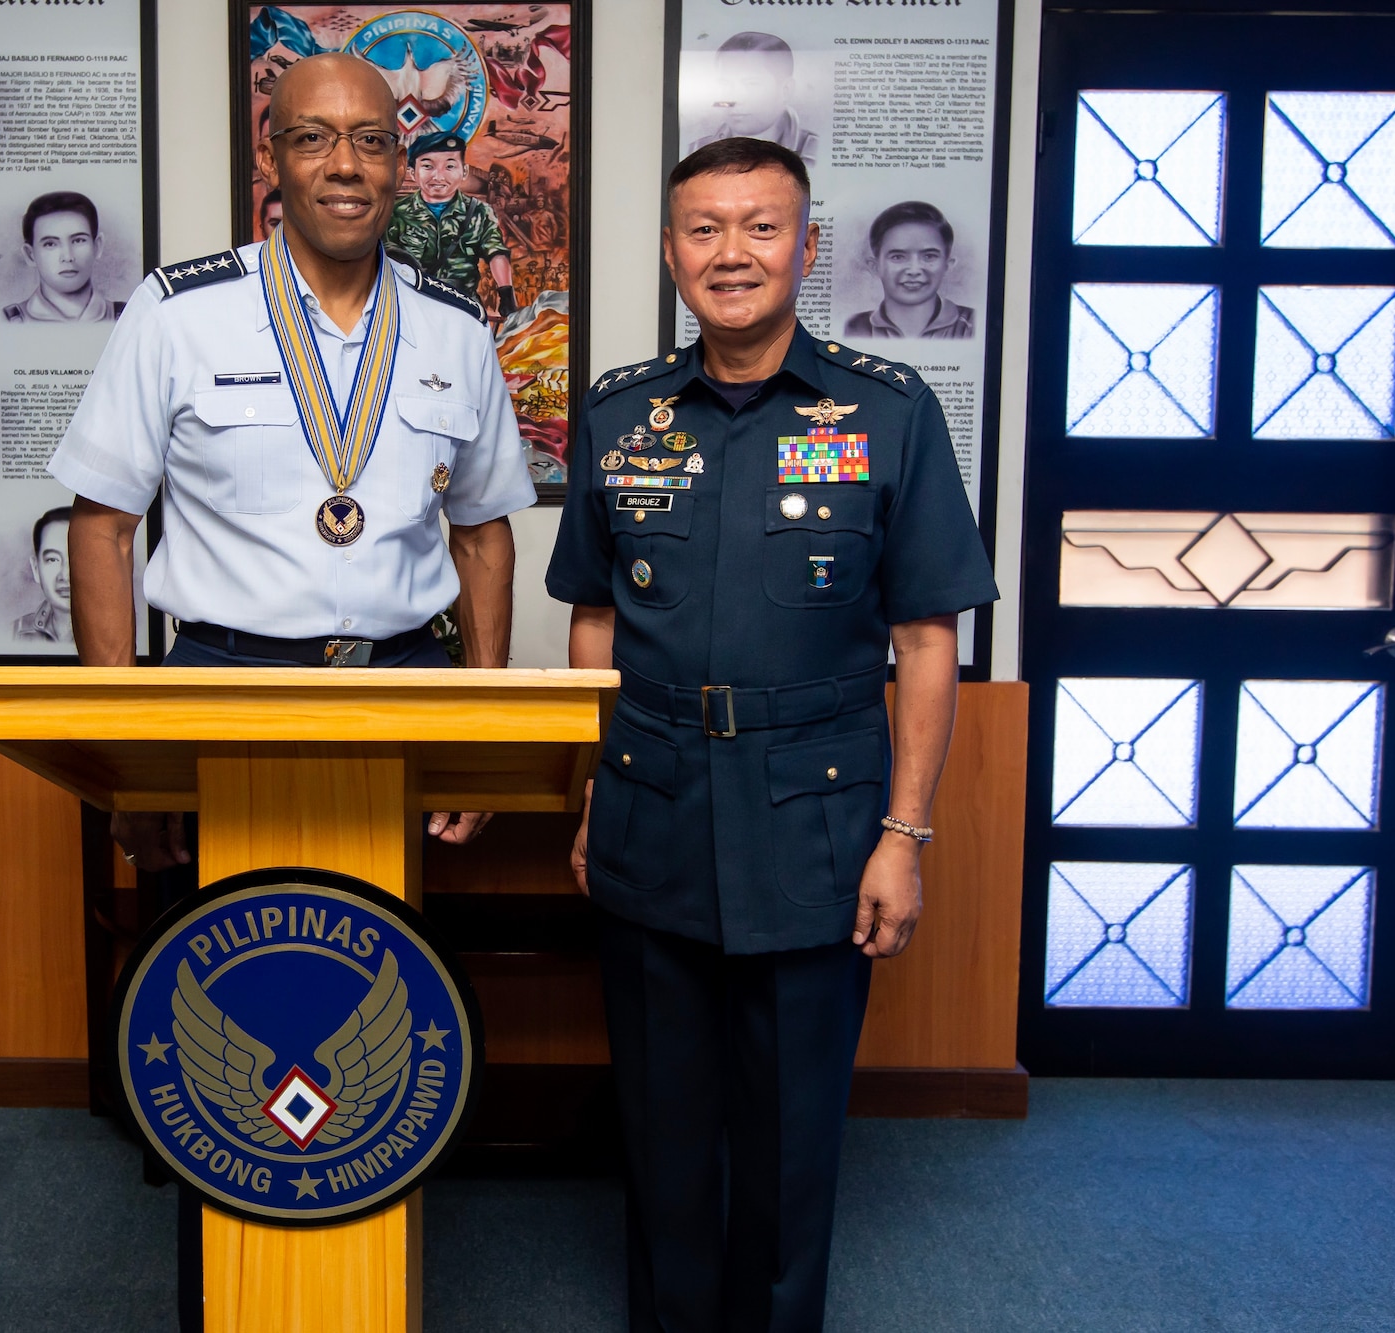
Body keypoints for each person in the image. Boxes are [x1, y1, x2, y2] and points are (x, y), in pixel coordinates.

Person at [52, 54, 535, 1325]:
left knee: (385, 998)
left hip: (400, 690)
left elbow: (485, 533)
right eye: (315, 141)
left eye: (370, 142)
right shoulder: (178, 311)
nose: (345, 166)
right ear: (270, 156)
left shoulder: (450, 328)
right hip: (218, 689)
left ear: (402, 153)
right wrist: (122, 756)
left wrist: (482, 727)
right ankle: (231, 1292)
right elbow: (100, 525)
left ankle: (366, 1278)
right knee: (212, 1015)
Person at [546, 137, 997, 1332]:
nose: (729, 252)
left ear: (803, 247)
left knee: (793, 1137)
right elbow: (593, 619)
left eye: (758, 226)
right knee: (661, 1128)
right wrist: (588, 793)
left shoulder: (887, 412)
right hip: (650, 806)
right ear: (669, 250)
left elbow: (923, 639)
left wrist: (903, 833)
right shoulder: (617, 413)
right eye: (703, 228)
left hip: (816, 821)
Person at [384, 130, 517, 317]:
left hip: (463, 309)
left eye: (449, 166)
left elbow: (495, 252)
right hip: (411, 310)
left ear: (464, 172)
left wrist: (506, 293)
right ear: (413, 173)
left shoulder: (479, 212)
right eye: (428, 166)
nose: (438, 176)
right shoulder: (396, 214)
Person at [844, 201, 976, 341]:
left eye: (929, 256)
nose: (914, 270)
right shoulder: (853, 328)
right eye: (898, 257)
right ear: (875, 266)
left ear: (947, 265)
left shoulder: (972, 325)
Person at [689, 33, 818, 170]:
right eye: (726, 85)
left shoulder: (814, 153)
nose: (736, 99)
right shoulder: (695, 153)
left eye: (751, 84)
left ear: (786, 90)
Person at [2, 192, 124, 324]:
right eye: (50, 244)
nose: (67, 257)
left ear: (97, 247)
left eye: (78, 241)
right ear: (30, 255)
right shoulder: (7, 321)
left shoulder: (126, 316)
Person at [13, 507, 73, 642]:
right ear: (36, 569)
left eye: (78, 558)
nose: (65, 575)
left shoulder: (122, 634)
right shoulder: (14, 633)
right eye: (53, 560)